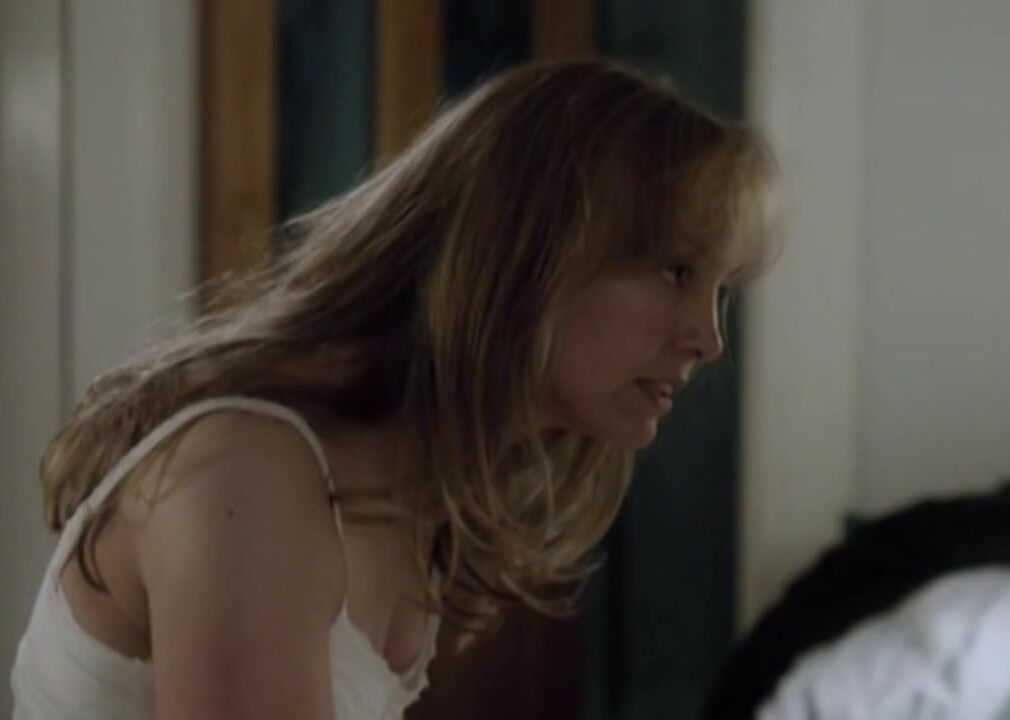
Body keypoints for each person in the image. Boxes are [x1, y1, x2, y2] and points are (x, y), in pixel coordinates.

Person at [10, 59, 776, 719]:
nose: (707, 339)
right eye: (674, 271)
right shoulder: (251, 471)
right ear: (526, 256)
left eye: (719, 290)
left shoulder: (415, 499)